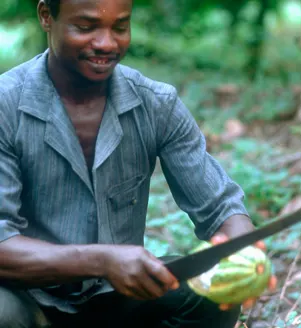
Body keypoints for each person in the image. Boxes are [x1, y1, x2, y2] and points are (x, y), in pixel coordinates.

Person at [0, 0, 276, 327]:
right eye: (86, 27)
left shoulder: (156, 104)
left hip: (114, 297)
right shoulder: (6, 106)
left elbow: (219, 207)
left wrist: (243, 254)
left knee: (210, 293)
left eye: (119, 27)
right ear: (47, 16)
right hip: (27, 300)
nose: (106, 43)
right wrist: (102, 260)